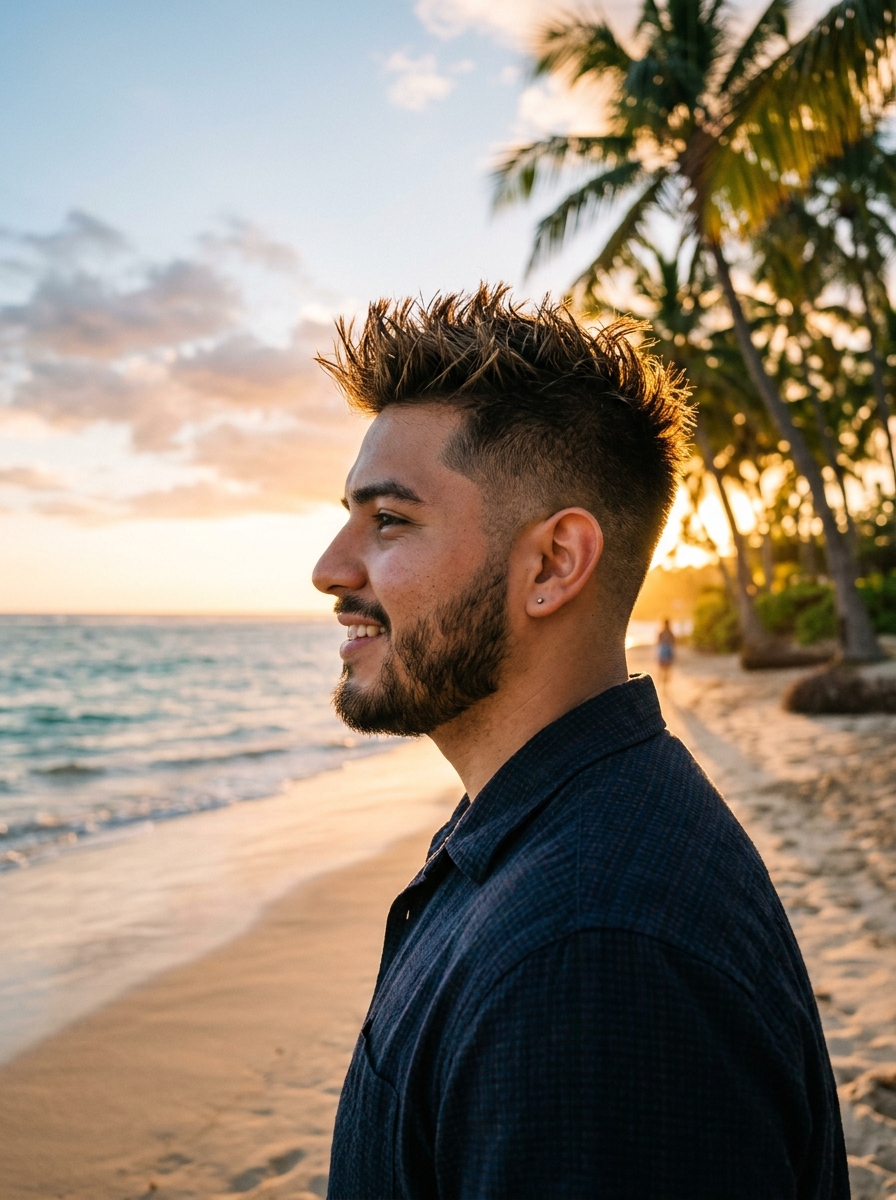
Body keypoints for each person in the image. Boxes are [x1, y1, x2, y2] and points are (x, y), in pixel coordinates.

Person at [311, 287, 848, 1199]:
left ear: (554, 564)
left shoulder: (590, 961)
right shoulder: (545, 832)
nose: (330, 567)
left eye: (389, 518)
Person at [657, 616, 676, 689]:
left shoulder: (666, 633)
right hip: (665, 652)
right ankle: (663, 685)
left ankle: (664, 685)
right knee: (663, 669)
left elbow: (659, 643)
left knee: (666, 670)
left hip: (666, 652)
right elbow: (673, 644)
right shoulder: (668, 633)